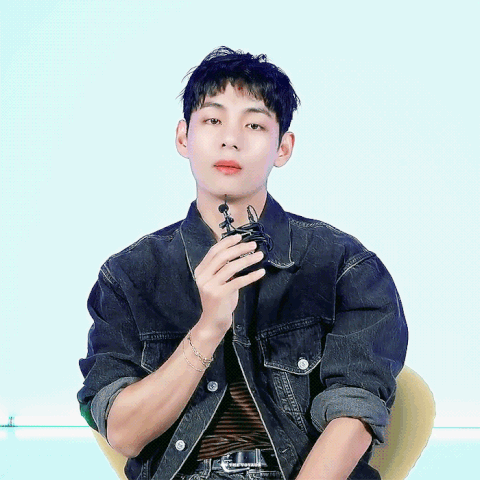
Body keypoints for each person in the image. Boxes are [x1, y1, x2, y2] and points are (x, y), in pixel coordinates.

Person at [78, 46, 408, 480]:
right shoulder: (129, 276)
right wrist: (209, 327)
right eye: (213, 120)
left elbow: (354, 411)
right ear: (183, 137)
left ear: (283, 147)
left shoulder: (345, 266)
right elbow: (124, 434)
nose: (230, 139)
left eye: (254, 124)